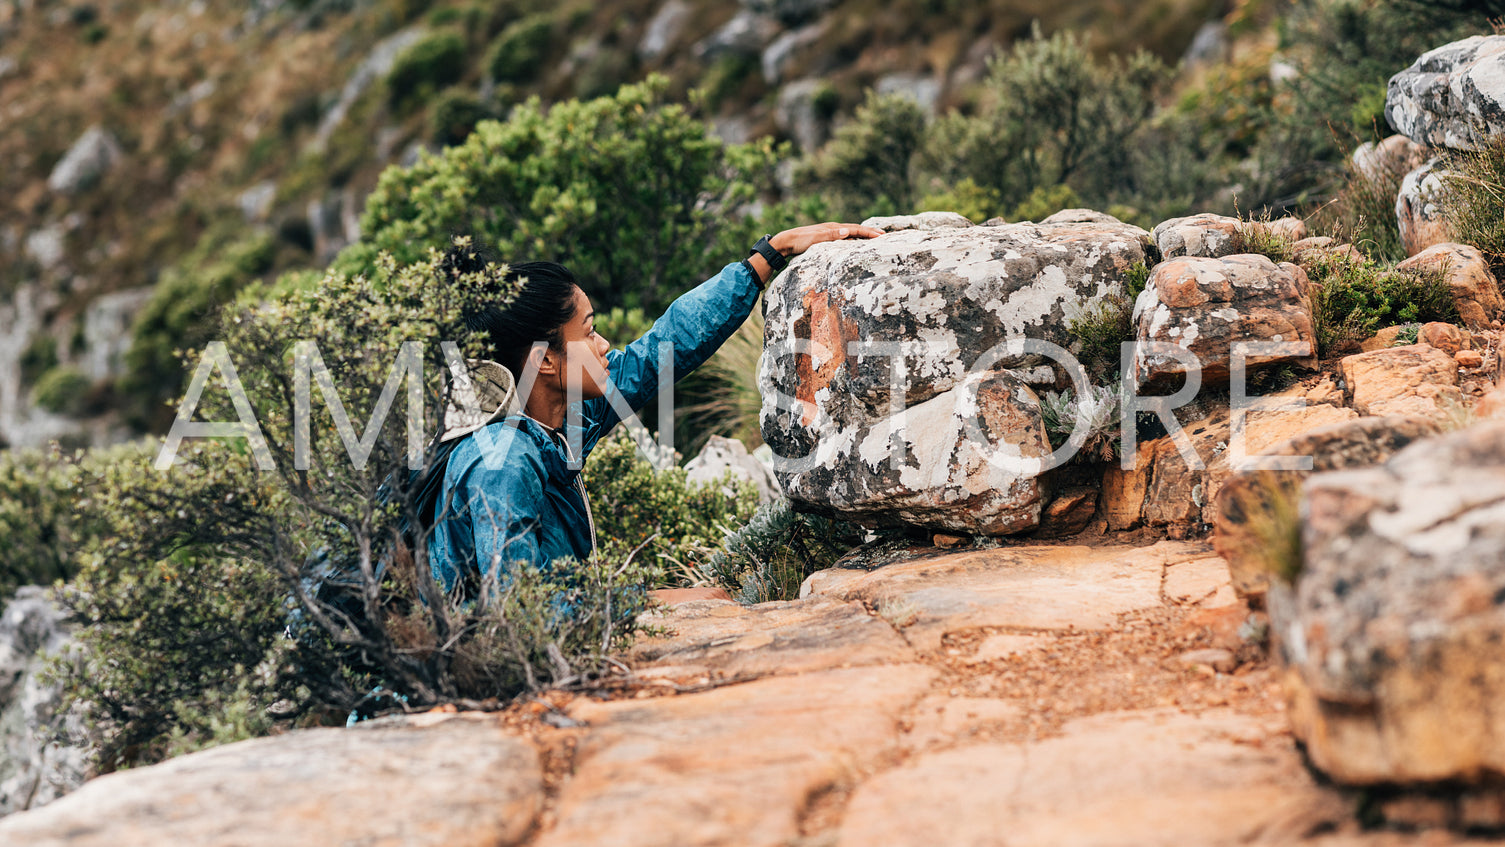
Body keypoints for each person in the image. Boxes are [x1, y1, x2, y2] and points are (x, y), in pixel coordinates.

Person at [427, 223, 883, 604]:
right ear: (544, 360)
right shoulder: (502, 460)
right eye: (589, 332)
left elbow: (664, 346)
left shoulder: (566, 416)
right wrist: (645, 604)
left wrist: (768, 255)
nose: (604, 344)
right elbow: (520, 615)